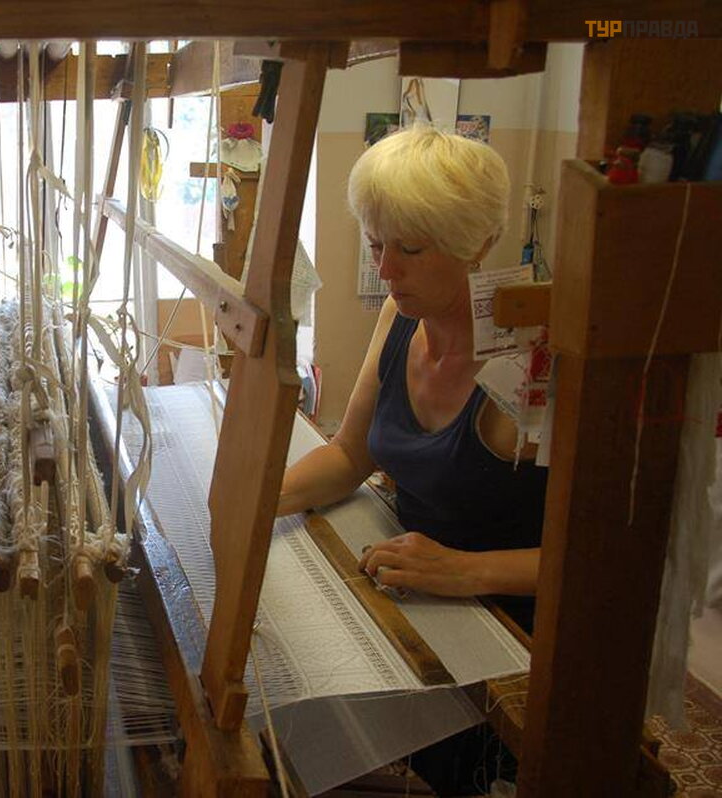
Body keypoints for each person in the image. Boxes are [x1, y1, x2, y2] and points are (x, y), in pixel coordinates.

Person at [276, 124, 548, 795]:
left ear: (475, 244)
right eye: (376, 244)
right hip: (423, 598)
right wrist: (246, 504)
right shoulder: (399, 317)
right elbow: (349, 455)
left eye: (411, 249)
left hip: (514, 638)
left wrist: (464, 570)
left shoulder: (532, 360)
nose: (386, 270)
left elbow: (605, 560)